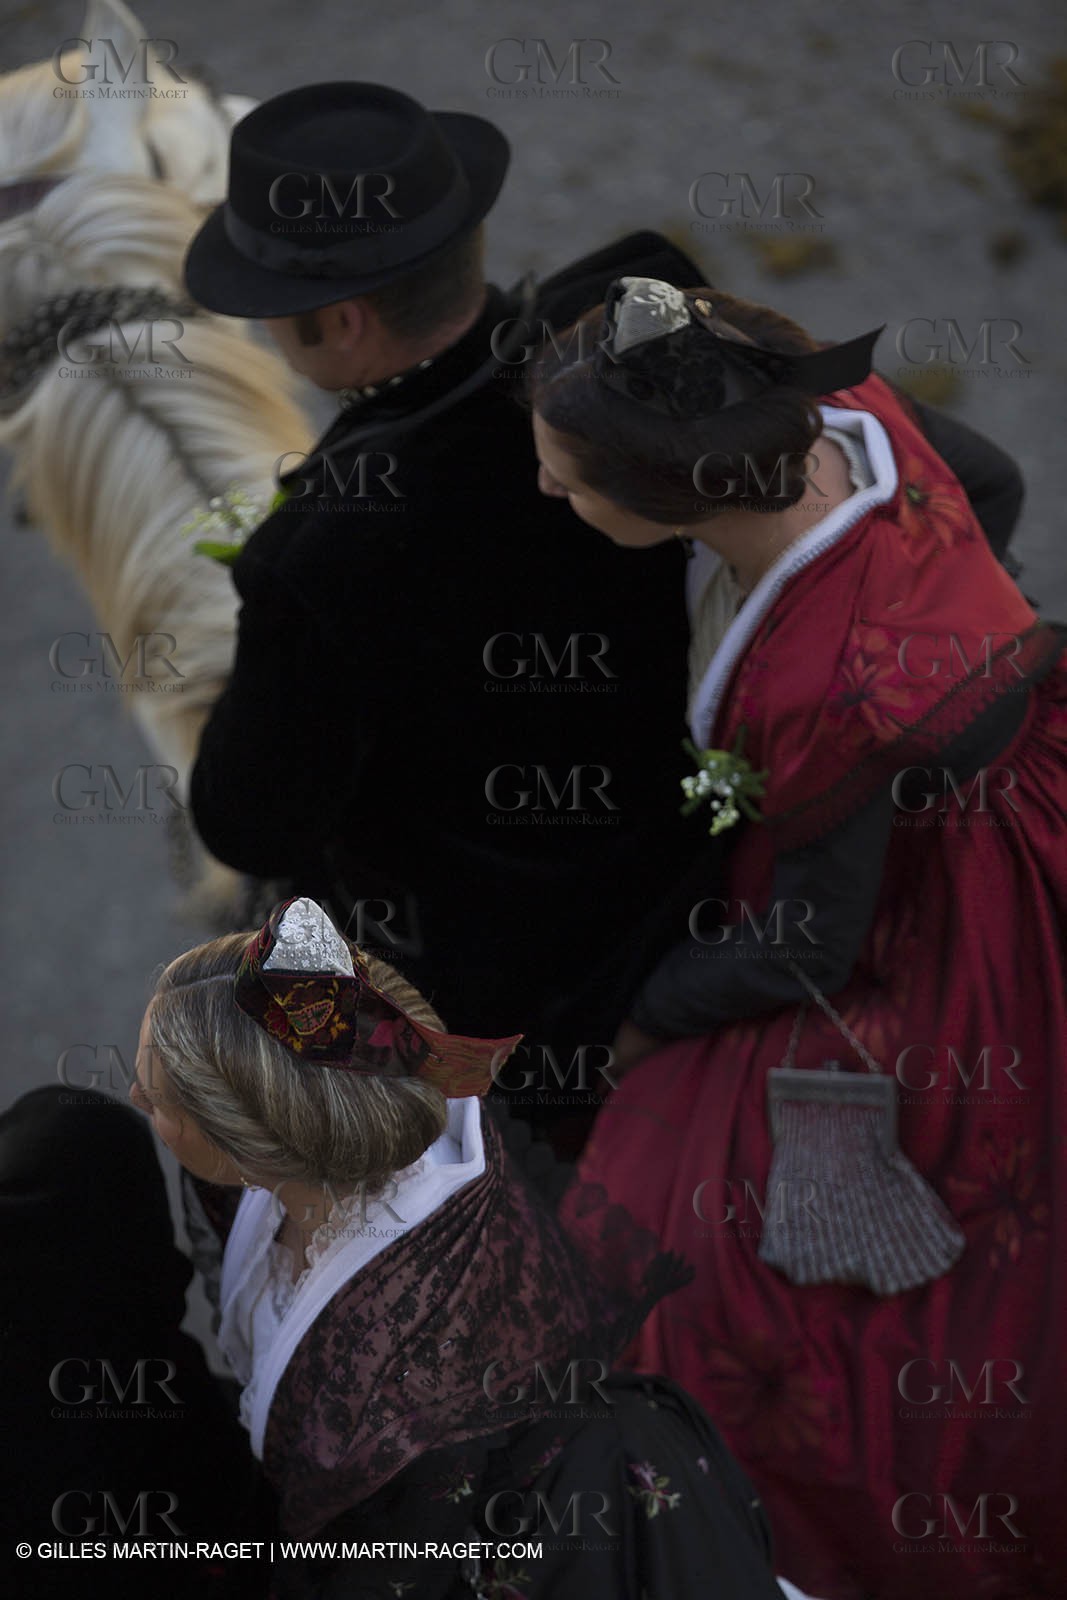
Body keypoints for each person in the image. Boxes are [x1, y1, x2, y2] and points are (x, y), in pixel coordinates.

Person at [183, 83, 1025, 1152]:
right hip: (717, 850)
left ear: (342, 321)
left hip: (548, 976)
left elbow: (246, 820)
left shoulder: (321, 553)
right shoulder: (646, 317)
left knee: (247, 978)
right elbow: (969, 483)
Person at [528, 277, 1067, 1599]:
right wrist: (957, 615)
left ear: (681, 505)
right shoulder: (841, 411)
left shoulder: (835, 685)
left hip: (933, 910)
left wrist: (641, 1018)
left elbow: (811, 950)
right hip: (965, 775)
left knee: (683, 1251)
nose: (548, 495)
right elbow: (981, 477)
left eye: (569, 482)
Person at [126, 893, 794, 1600]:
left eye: (164, 1100)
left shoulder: (405, 1380)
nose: (138, 1098)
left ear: (259, 1150)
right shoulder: (360, 1119)